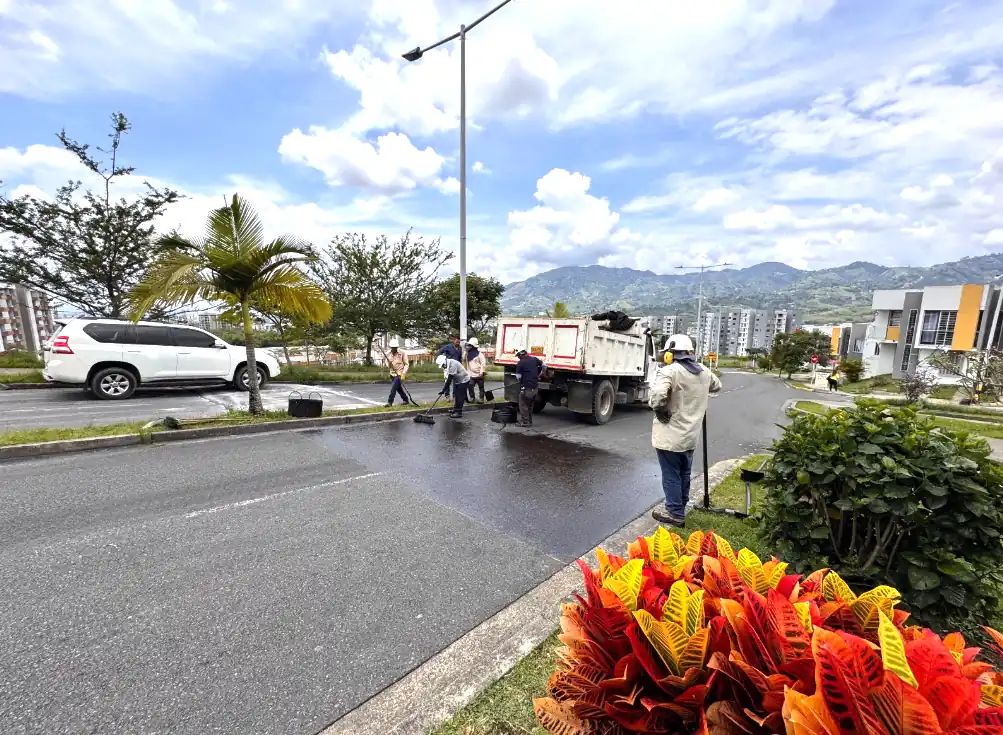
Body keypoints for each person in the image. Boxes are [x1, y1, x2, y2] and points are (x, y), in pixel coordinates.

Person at [649, 334, 722, 527]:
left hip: (670, 435)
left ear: (670, 354)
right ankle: (680, 504)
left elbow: (657, 395)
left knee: (671, 473)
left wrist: (659, 408)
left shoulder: (670, 371)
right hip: (690, 435)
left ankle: (674, 512)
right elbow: (717, 385)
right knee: (683, 472)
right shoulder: (705, 372)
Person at [514, 347, 546, 427]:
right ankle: (529, 421)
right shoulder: (534, 359)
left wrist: (520, 382)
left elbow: (518, 377)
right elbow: (544, 365)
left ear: (521, 355)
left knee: (523, 404)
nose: (518, 357)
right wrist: (541, 374)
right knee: (530, 405)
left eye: (518, 355)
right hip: (535, 388)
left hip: (526, 387)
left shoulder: (520, 363)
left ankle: (525, 422)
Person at [435, 353, 470, 418]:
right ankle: (455, 409)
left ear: (444, 361)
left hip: (464, 380)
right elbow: (448, 378)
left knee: (460, 397)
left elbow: (449, 380)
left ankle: (459, 412)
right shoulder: (448, 363)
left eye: (442, 365)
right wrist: (444, 390)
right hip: (458, 380)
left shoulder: (452, 365)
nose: (442, 366)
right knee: (457, 395)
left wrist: (443, 390)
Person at [384, 339, 415, 407]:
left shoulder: (402, 353)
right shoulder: (387, 354)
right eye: (393, 347)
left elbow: (406, 364)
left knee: (393, 388)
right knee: (398, 389)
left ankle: (389, 402)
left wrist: (403, 373)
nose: (394, 349)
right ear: (390, 347)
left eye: (395, 347)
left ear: (397, 347)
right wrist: (389, 364)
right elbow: (388, 365)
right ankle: (406, 400)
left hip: (400, 373)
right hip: (392, 373)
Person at [466, 337, 487, 403]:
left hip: (479, 374)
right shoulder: (467, 354)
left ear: (473, 346)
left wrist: (481, 372)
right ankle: (472, 397)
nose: (469, 347)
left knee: (481, 387)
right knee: (470, 386)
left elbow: (483, 364)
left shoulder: (480, 354)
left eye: (470, 345)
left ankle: (481, 399)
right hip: (471, 374)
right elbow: (464, 360)